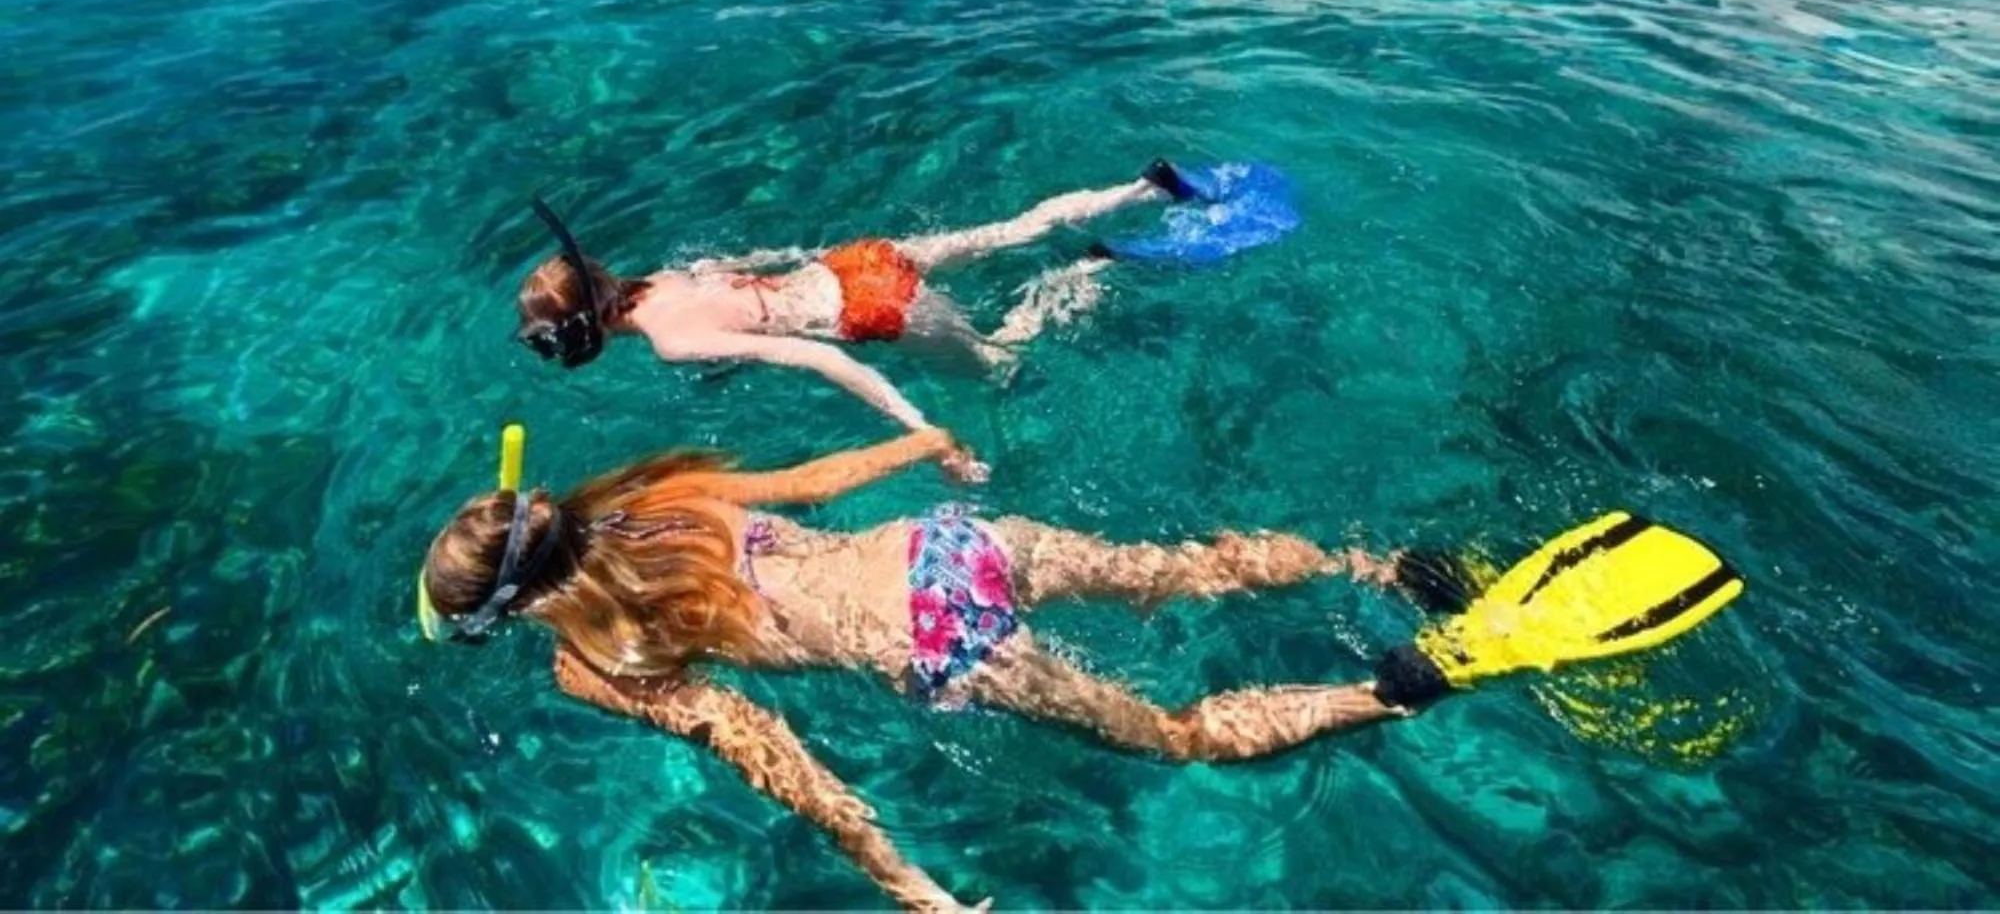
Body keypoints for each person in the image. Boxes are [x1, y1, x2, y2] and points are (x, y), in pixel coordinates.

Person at [419, 432, 1741, 910]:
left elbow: (777, 760)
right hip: (948, 544)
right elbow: (811, 480)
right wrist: (920, 444)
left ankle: (1400, 684)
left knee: (1176, 734)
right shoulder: (666, 494)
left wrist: (905, 883)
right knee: (1177, 566)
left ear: (511, 613)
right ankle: (1384, 561)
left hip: (938, 644)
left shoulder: (593, 663)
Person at [514, 164, 1205, 478]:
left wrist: (922, 432)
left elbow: (824, 359)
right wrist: (808, 258)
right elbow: (760, 261)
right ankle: (1141, 187)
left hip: (872, 310)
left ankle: (1088, 270)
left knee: (1002, 363)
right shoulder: (660, 278)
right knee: (1010, 230)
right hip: (856, 262)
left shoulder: (671, 341)